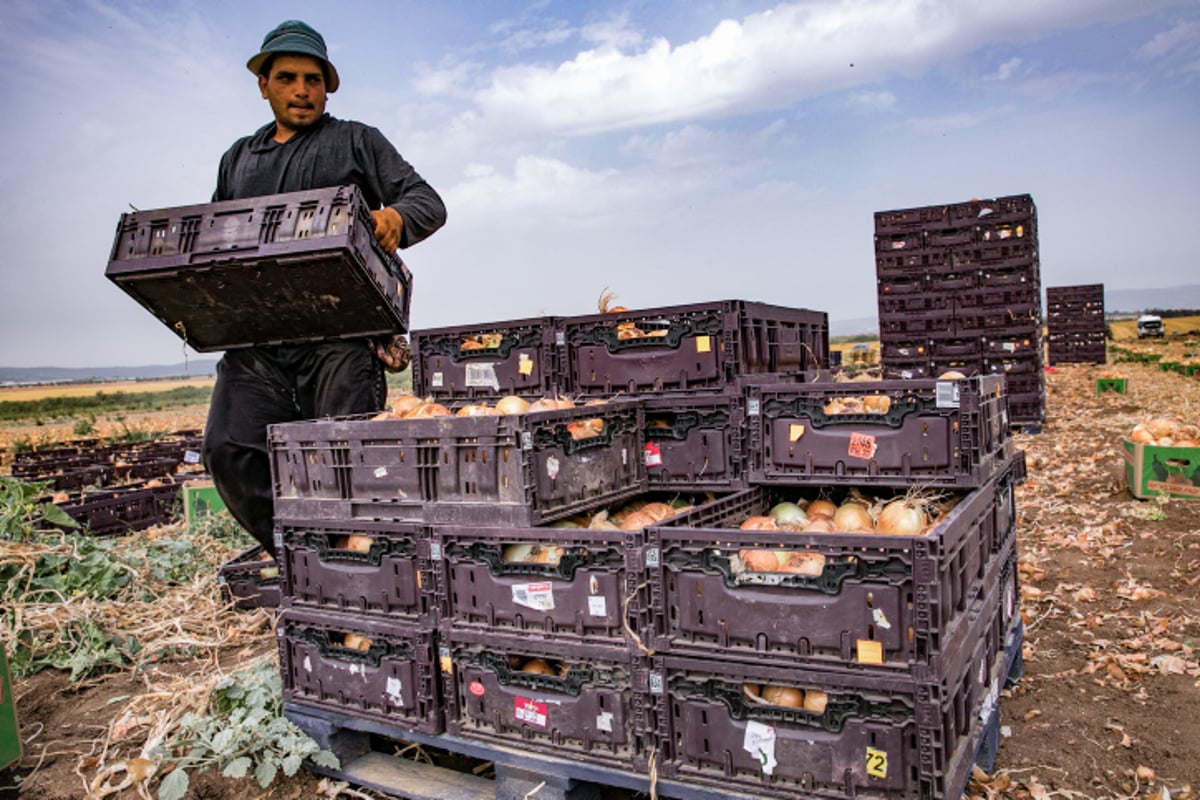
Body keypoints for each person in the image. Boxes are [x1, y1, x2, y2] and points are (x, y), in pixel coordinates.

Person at [202, 20, 447, 557]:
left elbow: (428, 202)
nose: (301, 90)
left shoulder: (356, 140)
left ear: (327, 86)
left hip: (340, 335)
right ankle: (301, 560)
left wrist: (396, 219)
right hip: (260, 342)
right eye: (286, 77)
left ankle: (357, 567)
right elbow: (220, 240)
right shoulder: (238, 159)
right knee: (228, 449)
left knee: (344, 463)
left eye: (312, 79)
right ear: (263, 84)